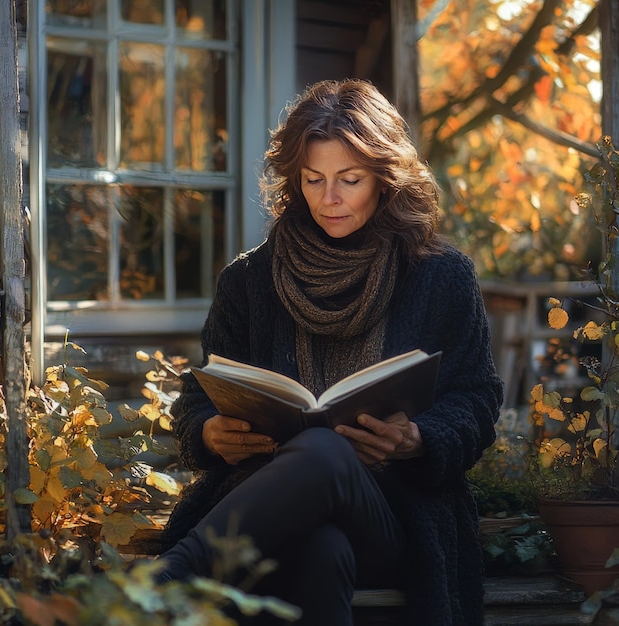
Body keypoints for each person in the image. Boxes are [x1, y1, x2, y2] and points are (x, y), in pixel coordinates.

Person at [159, 78, 503, 625]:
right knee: (320, 551)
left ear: (385, 181)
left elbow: (478, 400)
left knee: (325, 451)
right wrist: (206, 432)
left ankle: (170, 578)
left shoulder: (441, 277)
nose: (329, 198)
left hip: (394, 519)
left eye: (350, 179)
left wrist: (419, 439)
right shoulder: (248, 281)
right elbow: (198, 398)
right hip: (269, 520)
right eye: (313, 179)